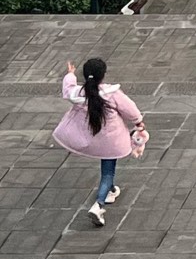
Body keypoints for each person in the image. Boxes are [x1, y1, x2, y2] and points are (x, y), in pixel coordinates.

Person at [56, 56, 146, 225]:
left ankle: (111, 190)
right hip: (111, 141)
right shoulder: (111, 94)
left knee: (107, 172)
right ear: (103, 75)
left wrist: (70, 74)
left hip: (92, 138)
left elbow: (68, 89)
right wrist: (139, 123)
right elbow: (130, 110)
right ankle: (98, 205)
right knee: (107, 172)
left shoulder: (79, 94)